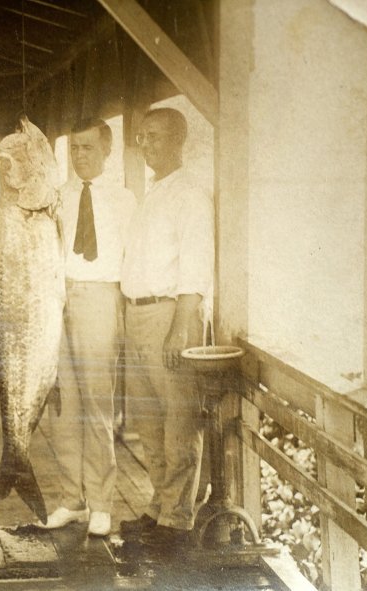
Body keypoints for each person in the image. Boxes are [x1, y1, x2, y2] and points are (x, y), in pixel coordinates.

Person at [118, 107, 214, 548]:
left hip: (170, 317)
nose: (146, 145)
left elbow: (195, 269)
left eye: (155, 136)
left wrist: (181, 329)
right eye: (141, 137)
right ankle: (159, 506)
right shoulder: (153, 193)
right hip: (138, 316)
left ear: (179, 141)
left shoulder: (190, 194)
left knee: (178, 420)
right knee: (149, 420)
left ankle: (177, 520)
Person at [36, 117, 136, 537]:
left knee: (97, 405)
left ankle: (100, 502)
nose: (80, 155)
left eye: (88, 147)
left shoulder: (126, 200)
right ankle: (70, 499)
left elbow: (135, 260)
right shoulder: (57, 198)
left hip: (100, 295)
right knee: (65, 406)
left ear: (107, 150)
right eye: (74, 148)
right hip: (57, 297)